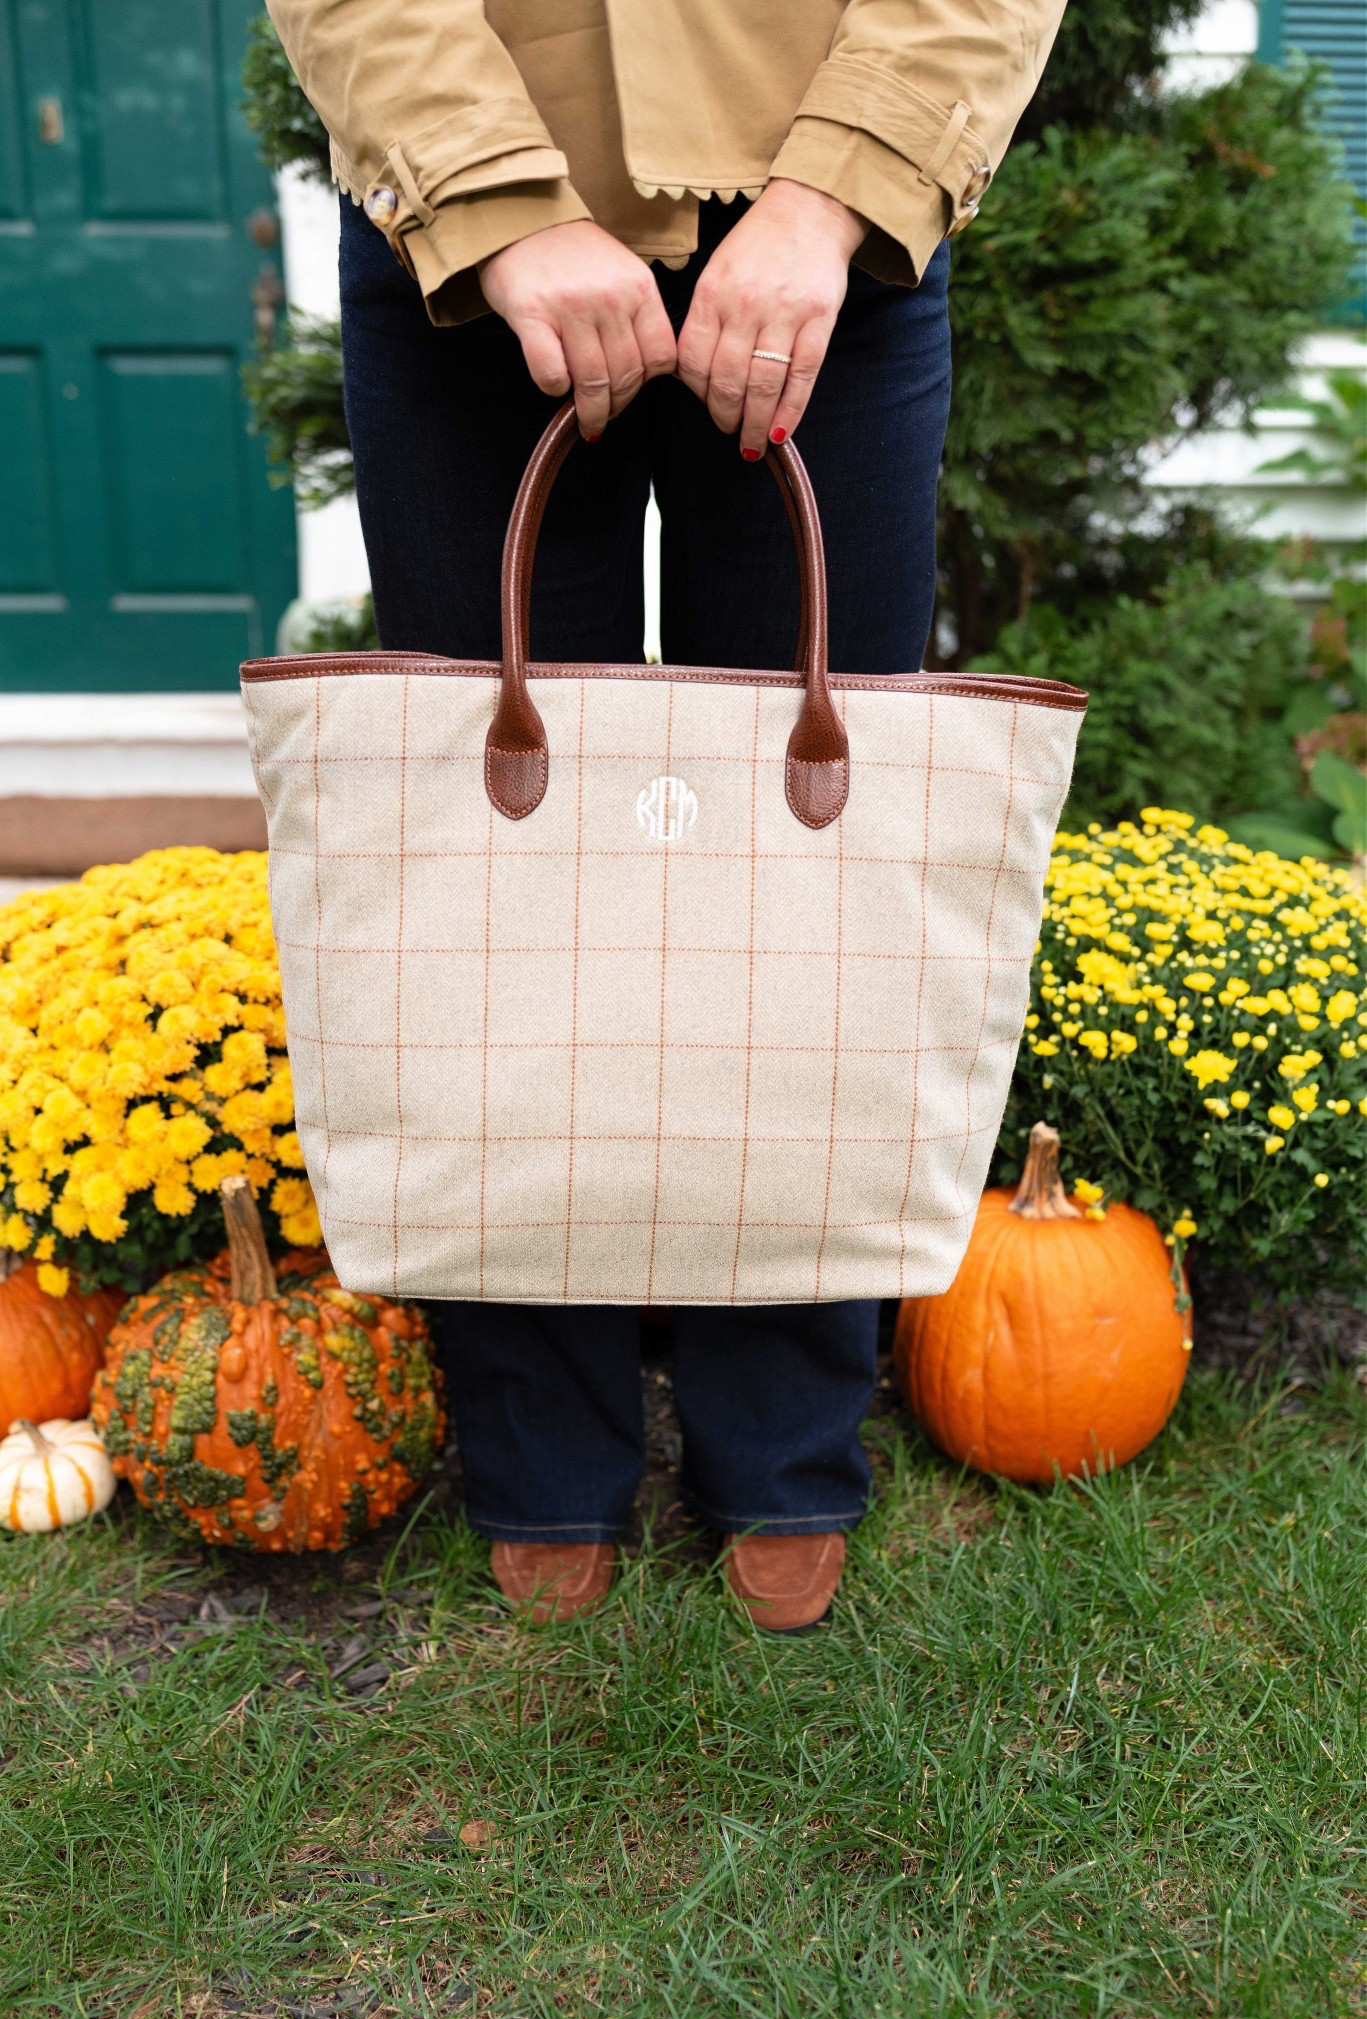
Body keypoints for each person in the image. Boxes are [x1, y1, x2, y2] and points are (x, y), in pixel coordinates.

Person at [266, 0, 1066, 1630]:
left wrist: (836, 191)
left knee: (811, 879)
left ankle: (784, 1435)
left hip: (821, 231)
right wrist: (494, 201)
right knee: (485, 892)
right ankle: (539, 1445)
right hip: (469, 221)